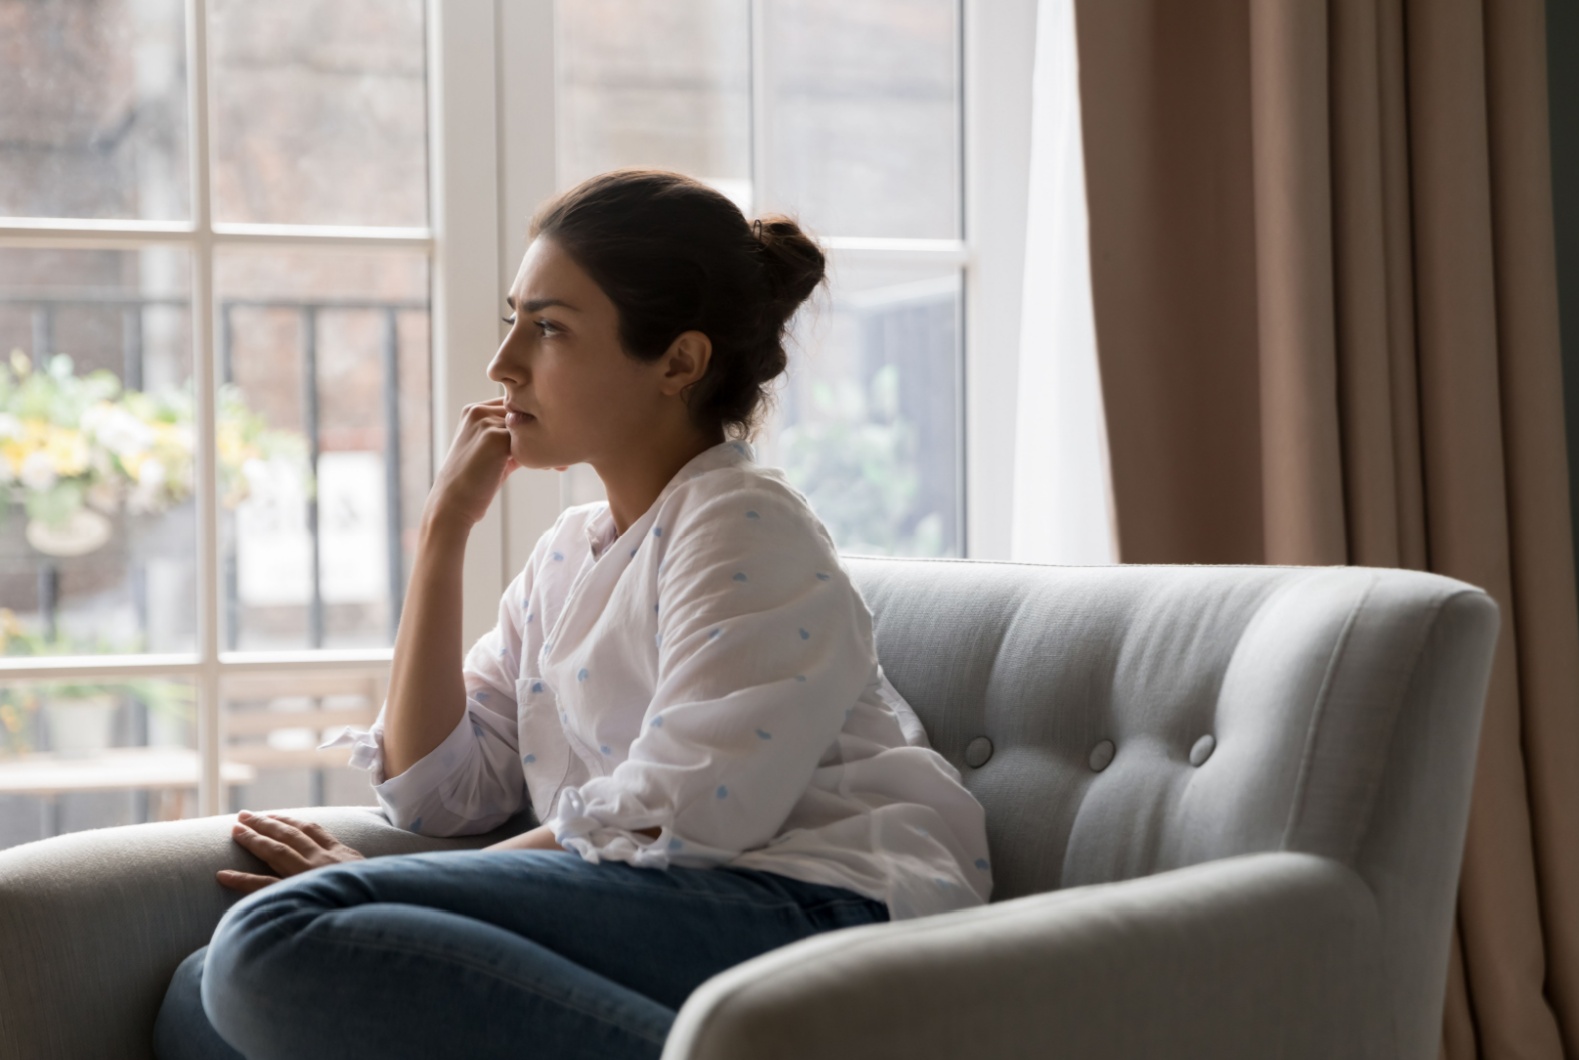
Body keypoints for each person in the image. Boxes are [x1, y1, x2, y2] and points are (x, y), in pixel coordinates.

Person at [153, 169, 991, 1060]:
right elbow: (439, 792)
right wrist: (444, 532)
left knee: (266, 945)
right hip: (661, 893)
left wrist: (393, 889)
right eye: (513, 317)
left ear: (678, 362)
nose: (503, 362)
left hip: (813, 904)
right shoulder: (569, 550)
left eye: (548, 327)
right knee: (193, 995)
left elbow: (689, 808)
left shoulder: (743, 521)